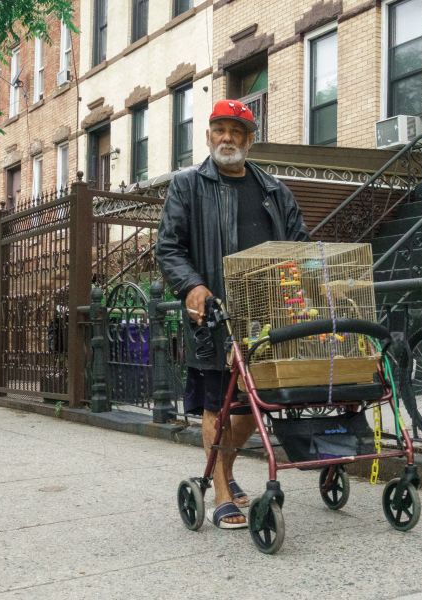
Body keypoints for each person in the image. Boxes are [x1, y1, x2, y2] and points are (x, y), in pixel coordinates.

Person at [156, 99, 309, 529]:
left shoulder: (274, 191)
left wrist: (306, 280)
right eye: (220, 129)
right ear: (208, 136)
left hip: (268, 316)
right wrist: (193, 285)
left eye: (237, 131)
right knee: (217, 407)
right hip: (215, 315)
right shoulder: (187, 186)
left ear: (249, 140)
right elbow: (168, 248)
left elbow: (299, 244)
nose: (228, 138)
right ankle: (221, 492)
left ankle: (227, 469)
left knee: (250, 409)